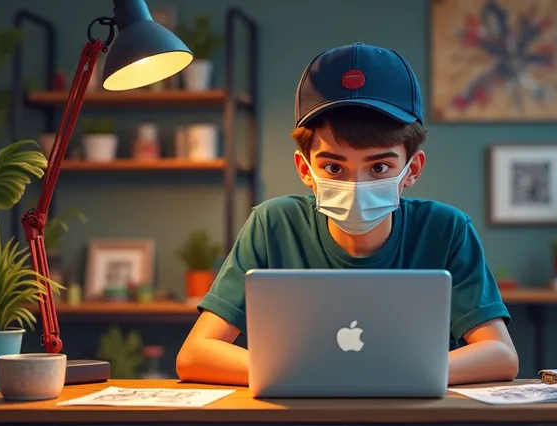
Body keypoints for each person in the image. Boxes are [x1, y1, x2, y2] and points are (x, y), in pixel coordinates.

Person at [176, 42, 519, 386]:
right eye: (334, 167)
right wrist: (325, 373)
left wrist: (376, 375)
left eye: (380, 166)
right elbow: (195, 354)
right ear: (305, 168)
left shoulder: (447, 230)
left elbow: (501, 355)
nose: (356, 184)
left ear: (412, 169)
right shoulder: (273, 225)